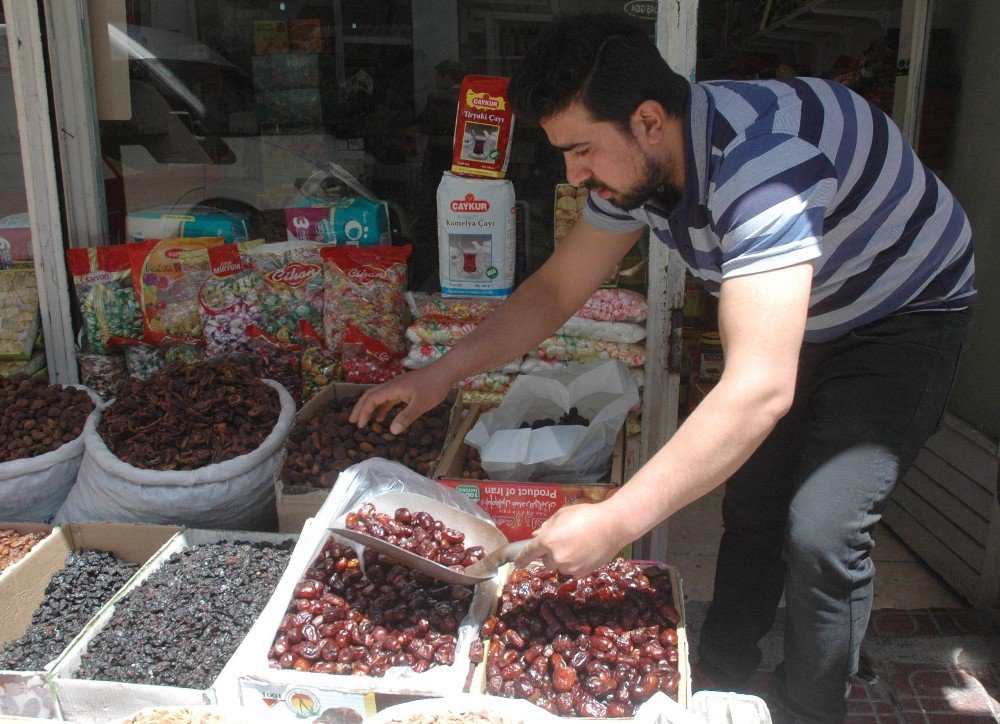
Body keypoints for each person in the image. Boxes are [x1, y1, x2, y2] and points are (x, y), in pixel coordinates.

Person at [349, 13, 974, 722]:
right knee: (754, 505)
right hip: (807, 305)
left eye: (581, 149)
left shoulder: (766, 166)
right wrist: (441, 372)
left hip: (904, 311)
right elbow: (555, 291)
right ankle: (723, 667)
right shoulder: (640, 167)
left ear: (649, 119)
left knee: (823, 531)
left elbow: (760, 387)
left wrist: (618, 518)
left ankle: (812, 702)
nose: (573, 173)